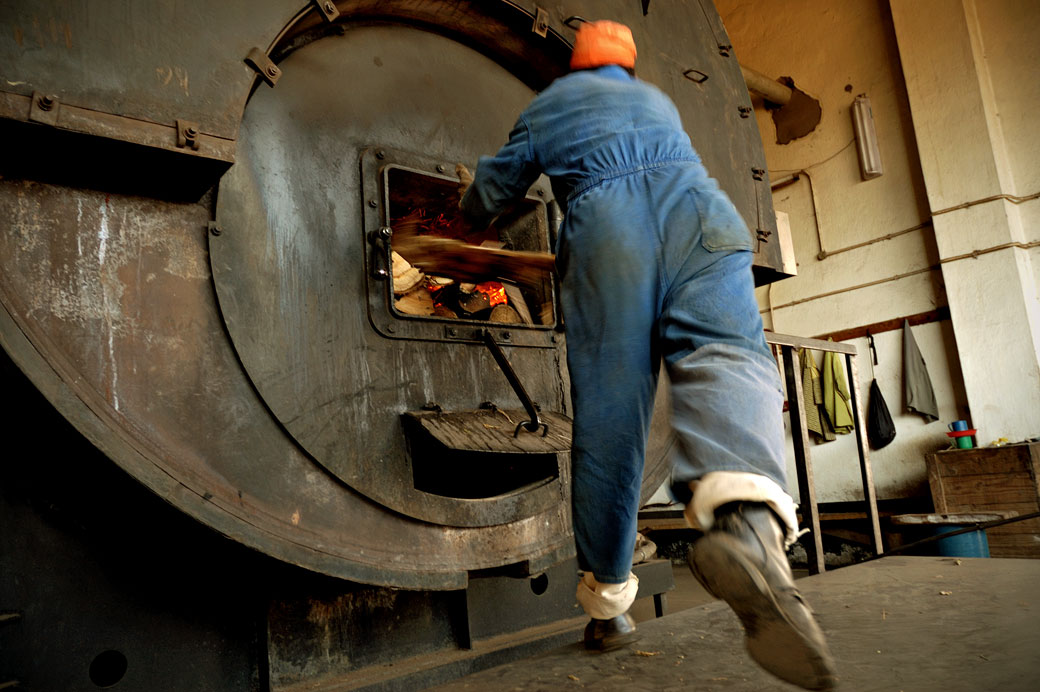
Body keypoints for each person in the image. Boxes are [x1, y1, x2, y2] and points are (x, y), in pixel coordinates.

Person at [458, 20, 837, 691]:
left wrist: (468, 209)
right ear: (626, 68)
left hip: (612, 234)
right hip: (704, 214)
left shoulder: (551, 104)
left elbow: (492, 194)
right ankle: (747, 523)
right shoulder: (656, 102)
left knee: (612, 417)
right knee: (728, 356)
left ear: (573, 67)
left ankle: (608, 603)